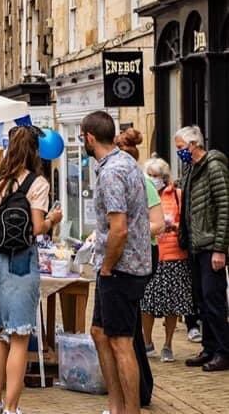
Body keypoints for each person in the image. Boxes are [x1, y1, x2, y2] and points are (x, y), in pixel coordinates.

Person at [0, 126, 60, 414]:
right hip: (21, 260)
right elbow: (37, 228)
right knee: (19, 338)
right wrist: (52, 219)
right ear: (34, 151)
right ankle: (12, 408)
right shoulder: (37, 183)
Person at [83, 111, 151, 414]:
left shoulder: (112, 172)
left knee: (122, 342)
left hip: (121, 267)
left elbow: (119, 227)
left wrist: (108, 266)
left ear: (89, 137)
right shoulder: (124, 163)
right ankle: (115, 407)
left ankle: (129, 410)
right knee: (99, 333)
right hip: (120, 265)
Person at [115, 127, 164, 406]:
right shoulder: (118, 179)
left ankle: (140, 389)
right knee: (128, 327)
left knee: (129, 326)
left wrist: (131, 231)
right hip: (127, 255)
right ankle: (137, 387)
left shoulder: (143, 182)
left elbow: (159, 222)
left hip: (143, 256)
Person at [175, 125, 229, 372]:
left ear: (193, 145)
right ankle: (209, 349)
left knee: (214, 298)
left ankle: (223, 350)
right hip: (195, 246)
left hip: (210, 246)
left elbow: (224, 208)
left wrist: (220, 248)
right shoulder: (191, 169)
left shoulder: (214, 167)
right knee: (202, 301)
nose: (180, 153)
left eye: (180, 148)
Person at [140, 157, 194, 363]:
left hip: (173, 255)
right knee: (147, 303)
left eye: (158, 176)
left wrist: (174, 226)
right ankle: (147, 342)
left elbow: (187, 223)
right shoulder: (142, 194)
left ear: (165, 178)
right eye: (151, 175)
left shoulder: (177, 195)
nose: (154, 180)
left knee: (172, 303)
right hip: (151, 252)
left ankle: (168, 344)